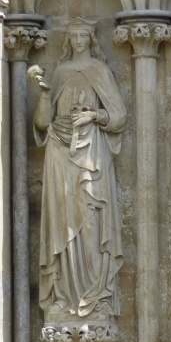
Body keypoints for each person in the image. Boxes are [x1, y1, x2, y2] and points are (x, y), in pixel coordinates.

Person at [29, 18, 126, 320]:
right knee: (63, 220)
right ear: (68, 40)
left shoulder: (100, 71)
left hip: (91, 152)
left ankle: (95, 297)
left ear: (91, 39)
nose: (79, 40)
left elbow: (119, 116)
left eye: (84, 35)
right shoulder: (60, 73)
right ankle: (64, 294)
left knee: (91, 221)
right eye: (74, 35)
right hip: (59, 149)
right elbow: (43, 123)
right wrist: (45, 94)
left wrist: (94, 115)